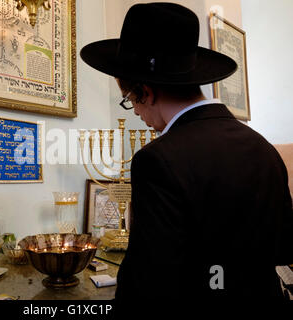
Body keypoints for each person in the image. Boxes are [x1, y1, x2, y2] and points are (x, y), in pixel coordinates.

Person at [80, 2, 293, 302]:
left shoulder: (158, 160)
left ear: (146, 91)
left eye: (129, 99)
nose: (137, 113)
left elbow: (149, 281)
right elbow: (283, 248)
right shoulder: (264, 148)